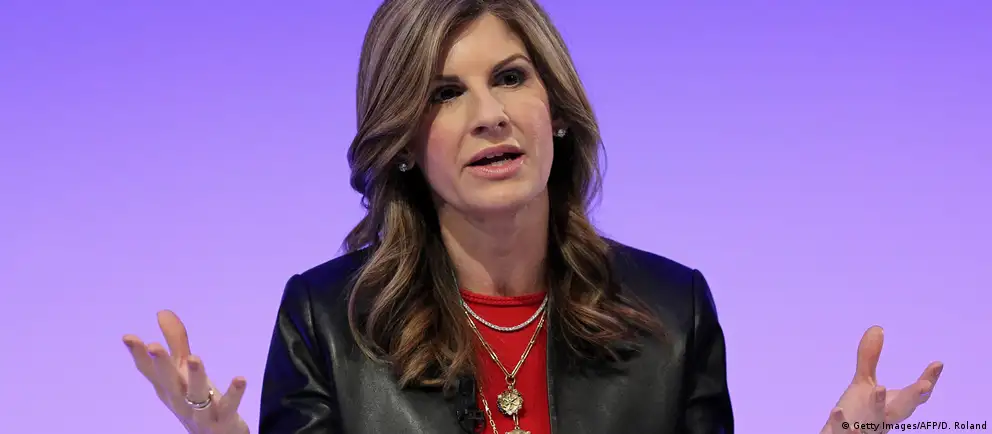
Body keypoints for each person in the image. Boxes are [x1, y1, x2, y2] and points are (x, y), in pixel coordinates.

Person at [121, 0, 945, 433]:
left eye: (511, 78)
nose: (489, 116)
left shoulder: (672, 312)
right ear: (402, 143)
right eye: (446, 93)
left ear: (556, 111)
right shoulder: (328, 322)